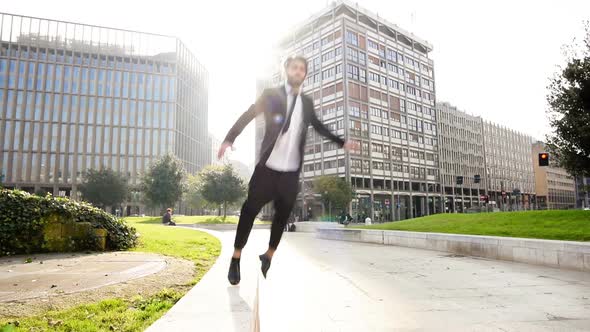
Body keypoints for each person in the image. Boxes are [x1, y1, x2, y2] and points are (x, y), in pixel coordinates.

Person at [219, 55, 358, 285]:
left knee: (282, 215)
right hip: (267, 168)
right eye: (294, 67)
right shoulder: (271, 95)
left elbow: (320, 127)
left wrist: (341, 142)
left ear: (305, 74)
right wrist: (228, 139)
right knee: (249, 211)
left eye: (302, 69)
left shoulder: (306, 103)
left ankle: (268, 255)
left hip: (290, 171)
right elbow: (248, 114)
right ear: (286, 70)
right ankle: (236, 257)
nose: (298, 72)